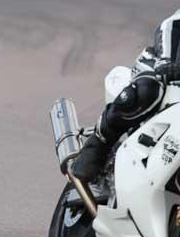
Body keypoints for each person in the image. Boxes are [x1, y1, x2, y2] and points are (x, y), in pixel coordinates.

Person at [72, 11, 180, 182]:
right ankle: (97, 145)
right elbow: (170, 25)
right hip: (165, 71)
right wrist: (167, 62)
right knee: (146, 91)